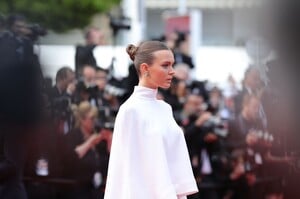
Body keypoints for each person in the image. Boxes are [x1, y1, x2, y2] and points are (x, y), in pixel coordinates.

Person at [104, 41, 198, 199]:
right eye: (165, 65)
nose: (172, 71)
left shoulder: (165, 109)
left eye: (172, 65)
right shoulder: (130, 111)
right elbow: (125, 171)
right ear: (145, 68)